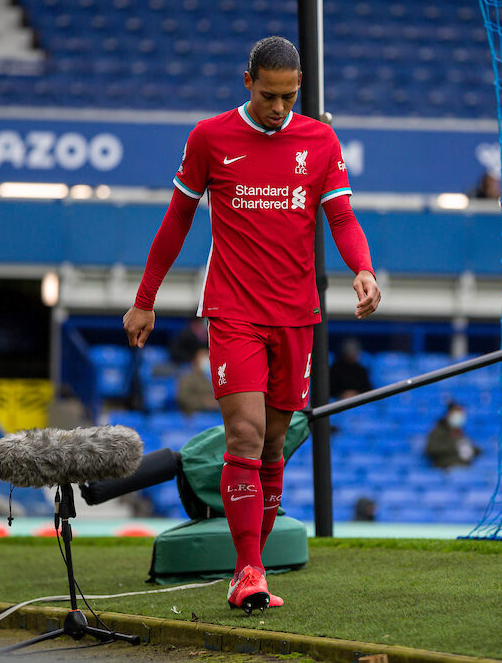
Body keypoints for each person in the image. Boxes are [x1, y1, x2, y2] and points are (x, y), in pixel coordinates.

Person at [123, 36, 380, 612]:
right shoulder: (210, 137)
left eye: (289, 97)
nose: (279, 108)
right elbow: (176, 221)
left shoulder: (320, 140)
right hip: (234, 310)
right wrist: (145, 299)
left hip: (297, 316)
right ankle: (248, 571)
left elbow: (341, 216)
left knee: (271, 449)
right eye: (269, 95)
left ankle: (254, 562)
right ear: (248, 82)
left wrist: (362, 269)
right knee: (242, 436)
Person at [424, 401, 480, 469]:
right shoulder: (438, 431)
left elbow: (472, 448)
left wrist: (472, 450)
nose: (459, 416)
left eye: (461, 414)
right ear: (448, 414)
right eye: (456, 413)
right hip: (444, 469)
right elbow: (431, 449)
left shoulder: (461, 432)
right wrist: (456, 448)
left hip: (463, 469)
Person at [177, 347, 218, 414]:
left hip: (216, 415)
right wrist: (204, 402)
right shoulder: (187, 378)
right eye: (203, 358)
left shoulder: (218, 376)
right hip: (196, 415)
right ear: (194, 362)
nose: (206, 360)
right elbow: (183, 398)